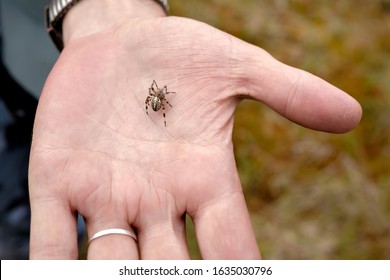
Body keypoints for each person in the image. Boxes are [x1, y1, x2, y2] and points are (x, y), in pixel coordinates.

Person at [0, 0, 361, 260]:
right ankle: (20, 217)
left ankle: (27, 222)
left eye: (157, 96)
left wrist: (110, 8)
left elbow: (155, 99)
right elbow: (157, 98)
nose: (157, 97)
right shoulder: (158, 96)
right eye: (156, 97)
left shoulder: (155, 96)